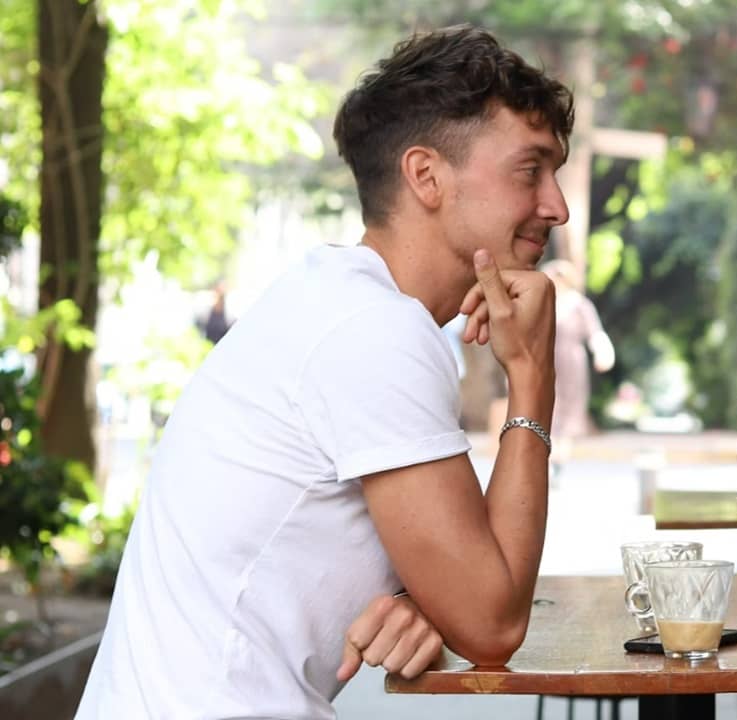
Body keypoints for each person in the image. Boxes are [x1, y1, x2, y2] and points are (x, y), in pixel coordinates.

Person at [76, 26, 572, 719]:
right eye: (530, 170)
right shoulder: (374, 331)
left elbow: (470, 601)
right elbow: (493, 624)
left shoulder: (342, 303)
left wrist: (424, 597)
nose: (557, 206)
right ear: (426, 176)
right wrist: (533, 379)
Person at [540, 258, 614, 467]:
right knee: (547, 403)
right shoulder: (543, 302)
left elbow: (595, 332)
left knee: (570, 405)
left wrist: (602, 353)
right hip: (545, 359)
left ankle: (560, 456)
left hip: (571, 360)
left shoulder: (579, 304)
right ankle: (548, 453)